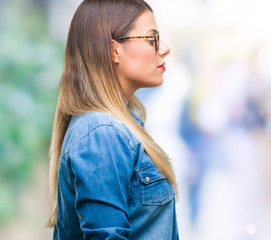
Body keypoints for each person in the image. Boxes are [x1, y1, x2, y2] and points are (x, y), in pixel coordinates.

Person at [47, 0, 178, 239]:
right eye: (152, 39)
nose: (164, 48)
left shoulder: (116, 126)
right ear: (113, 50)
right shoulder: (102, 132)